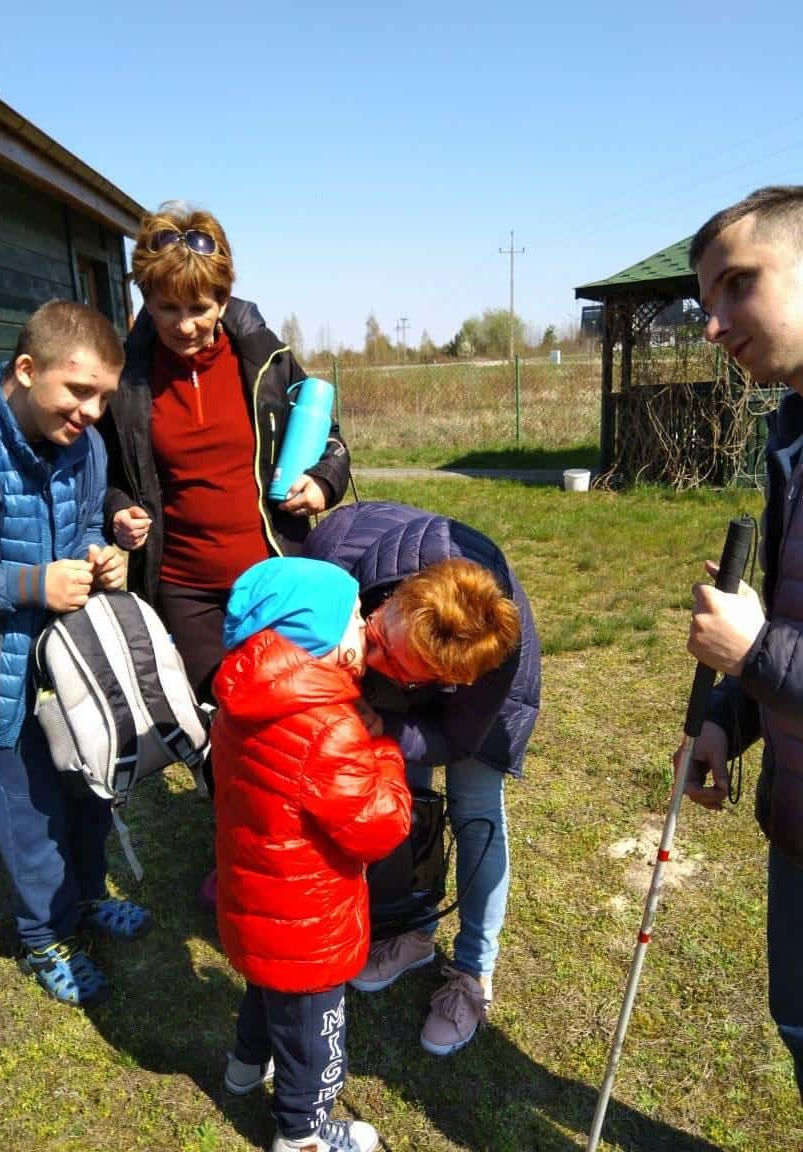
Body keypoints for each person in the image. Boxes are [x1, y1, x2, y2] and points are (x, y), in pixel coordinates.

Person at [0, 299, 151, 1008]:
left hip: (68, 661)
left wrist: (100, 556)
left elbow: (83, 523)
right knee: (28, 814)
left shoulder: (84, 443)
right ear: (27, 370)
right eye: (79, 391)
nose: (92, 412)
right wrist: (32, 584)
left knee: (90, 789)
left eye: (104, 398)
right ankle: (44, 939)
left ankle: (87, 896)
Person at [101, 201, 351, 728]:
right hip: (184, 587)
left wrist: (322, 483)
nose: (184, 324)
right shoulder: (126, 380)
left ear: (222, 298)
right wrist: (118, 510)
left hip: (274, 573)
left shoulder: (267, 361)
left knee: (292, 716)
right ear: (146, 300)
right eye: (167, 308)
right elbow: (106, 475)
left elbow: (328, 440)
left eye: (199, 307)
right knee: (220, 720)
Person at [302, 500, 539, 1055]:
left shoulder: (493, 652)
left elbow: (456, 740)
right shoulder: (335, 556)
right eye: (380, 644)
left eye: (403, 672)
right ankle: (415, 932)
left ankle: (473, 975)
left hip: (481, 707)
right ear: (391, 600)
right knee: (406, 797)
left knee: (475, 808)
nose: (374, 664)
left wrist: (386, 722)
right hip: (383, 606)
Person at [211, 557, 411, 1152]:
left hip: (256, 899)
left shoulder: (241, 699)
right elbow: (379, 827)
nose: (364, 627)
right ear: (316, 636)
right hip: (308, 923)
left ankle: (243, 1069)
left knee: (265, 990)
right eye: (353, 617)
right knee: (314, 1037)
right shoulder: (328, 727)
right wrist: (383, 750)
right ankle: (303, 1134)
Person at [678, 185, 803, 1102]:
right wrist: (730, 713)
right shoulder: (791, 435)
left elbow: (773, 642)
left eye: (738, 284)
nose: (715, 326)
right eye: (705, 302)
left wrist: (754, 656)